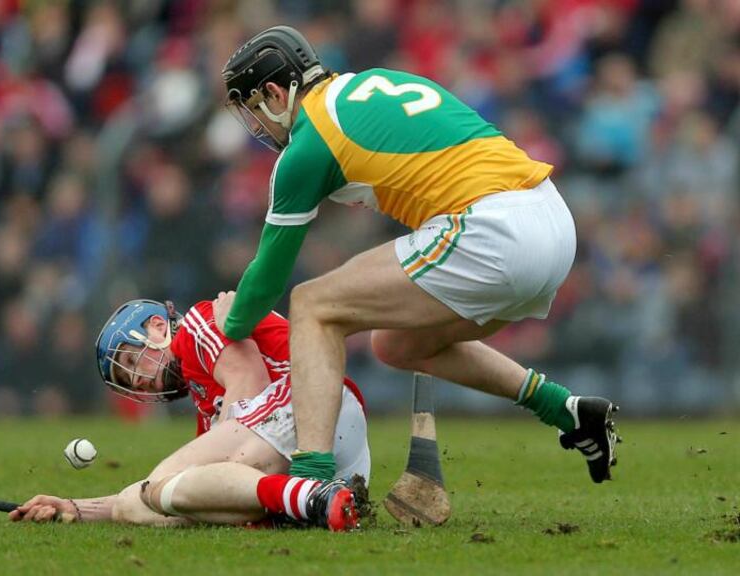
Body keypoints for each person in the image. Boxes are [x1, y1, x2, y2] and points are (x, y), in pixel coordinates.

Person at [213, 26, 621, 485]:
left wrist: (229, 327)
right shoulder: (373, 83)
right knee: (396, 344)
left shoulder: (309, 143)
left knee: (312, 305)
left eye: (254, 110)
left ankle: (311, 480)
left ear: (273, 92)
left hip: (494, 229)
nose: (258, 127)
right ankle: (566, 410)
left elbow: (267, 277)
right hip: (550, 217)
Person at [9, 298, 368, 530]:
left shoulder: (197, 324)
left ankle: (305, 499)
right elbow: (181, 490)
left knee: (163, 484)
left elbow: (250, 380)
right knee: (138, 504)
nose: (139, 381)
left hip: (315, 405)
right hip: (326, 451)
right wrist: (72, 508)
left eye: (132, 361)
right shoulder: (206, 399)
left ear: (156, 327)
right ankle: (307, 504)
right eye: (128, 380)